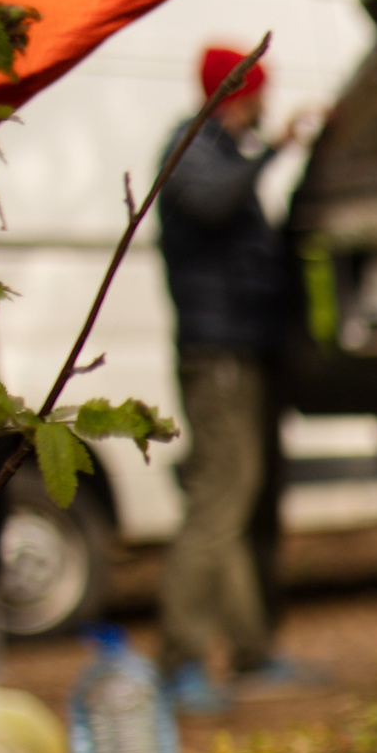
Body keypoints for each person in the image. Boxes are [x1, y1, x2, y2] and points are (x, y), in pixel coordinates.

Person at [153, 46, 316, 714]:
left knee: (247, 497)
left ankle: (251, 649)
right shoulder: (193, 148)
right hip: (215, 352)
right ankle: (180, 658)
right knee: (219, 497)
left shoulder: (225, 150)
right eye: (259, 94)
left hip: (250, 351)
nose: (266, 106)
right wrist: (274, 152)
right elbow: (215, 205)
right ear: (237, 93)